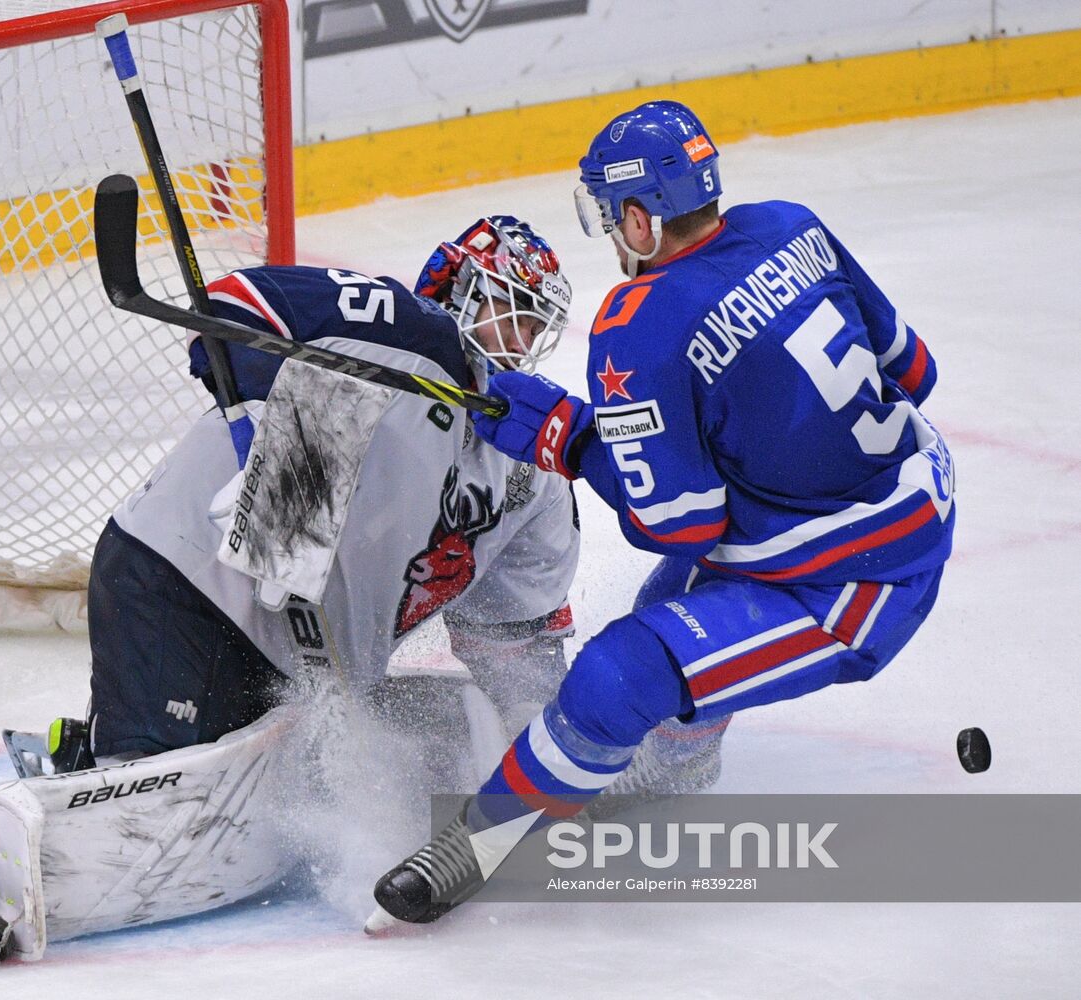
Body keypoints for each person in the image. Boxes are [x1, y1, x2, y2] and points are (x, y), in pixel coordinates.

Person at [0, 215, 585, 964]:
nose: (517, 343)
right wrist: (272, 431)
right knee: (147, 801)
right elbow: (237, 306)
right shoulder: (401, 330)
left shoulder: (537, 476)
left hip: (304, 654)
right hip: (186, 576)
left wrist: (571, 769)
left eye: (534, 326)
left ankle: (87, 746)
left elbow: (518, 656)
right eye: (507, 310)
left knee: (398, 744)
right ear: (453, 289)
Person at [370, 100, 956, 929]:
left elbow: (676, 524)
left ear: (641, 221)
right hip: (915, 489)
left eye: (612, 219)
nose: (612, 236)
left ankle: (474, 846)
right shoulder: (794, 224)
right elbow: (916, 371)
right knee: (668, 608)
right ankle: (676, 768)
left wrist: (568, 437)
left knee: (622, 672)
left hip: (859, 585)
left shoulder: (640, 324)